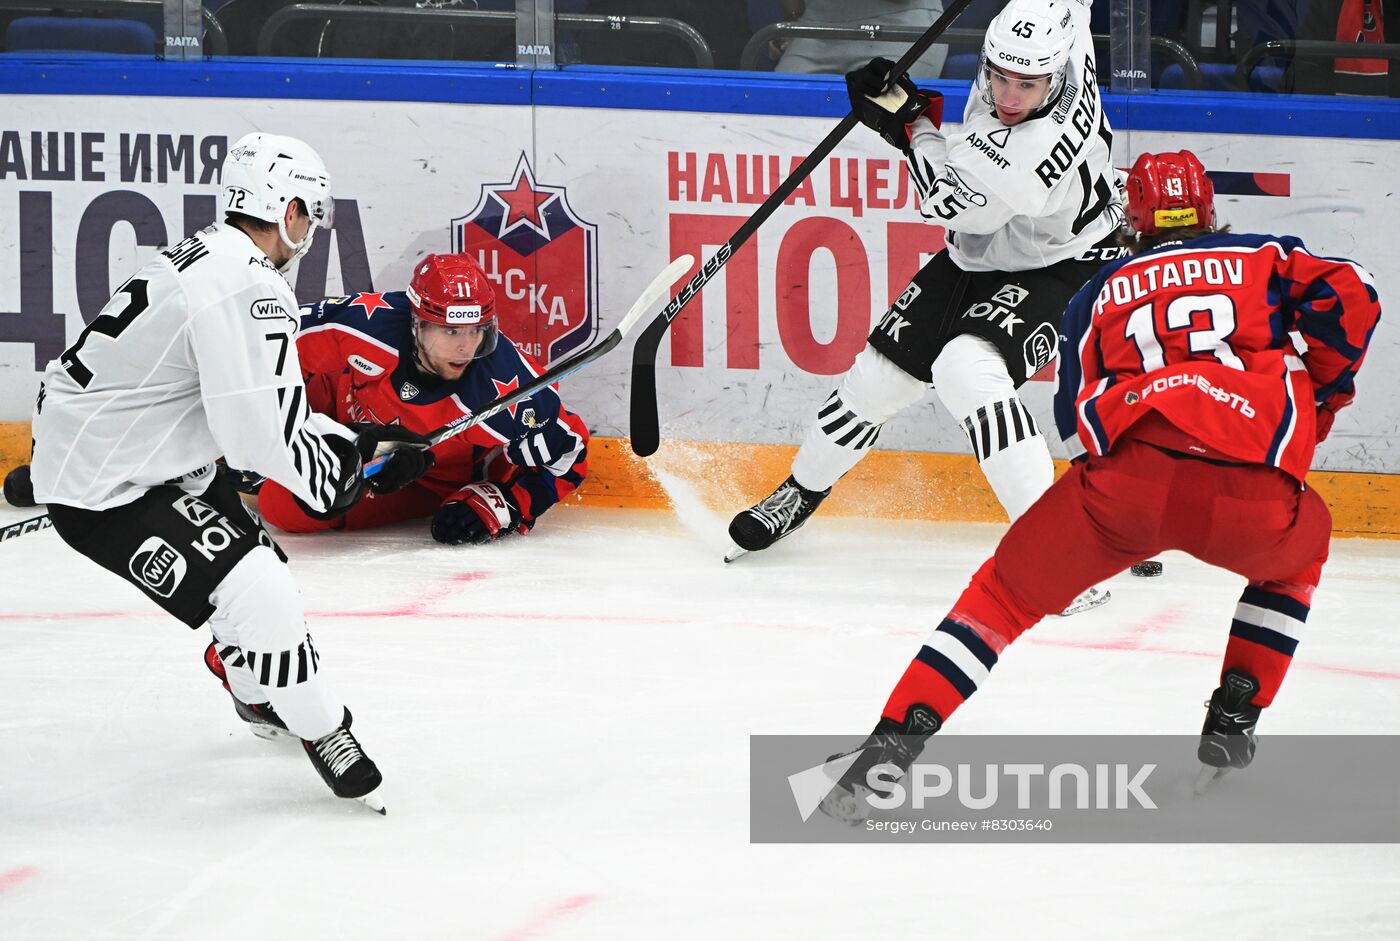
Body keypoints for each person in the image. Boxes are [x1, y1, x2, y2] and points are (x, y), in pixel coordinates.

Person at [817, 150, 1381, 824]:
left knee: (1000, 597)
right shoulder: (1263, 257)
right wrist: (1323, 387)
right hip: (1250, 492)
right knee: (1297, 561)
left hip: (1129, 487)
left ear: (1133, 218)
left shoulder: (1099, 291)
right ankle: (1235, 713)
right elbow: (1356, 293)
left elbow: (1076, 420)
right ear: (1206, 209)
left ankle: (886, 753)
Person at [27, 132, 420, 812]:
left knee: (252, 560)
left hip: (126, 453)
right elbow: (256, 440)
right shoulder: (248, 284)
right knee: (260, 588)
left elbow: (247, 410)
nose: (310, 234)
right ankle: (325, 728)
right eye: (310, 216)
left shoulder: (206, 255)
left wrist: (350, 443)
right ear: (288, 209)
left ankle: (249, 684)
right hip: (109, 490)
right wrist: (339, 478)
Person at [729, 0, 1126, 612]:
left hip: (1061, 261)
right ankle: (798, 494)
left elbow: (944, 198)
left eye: (1029, 84)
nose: (1011, 95)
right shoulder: (1063, 35)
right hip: (979, 254)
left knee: (968, 372)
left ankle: (1060, 546)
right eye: (1001, 76)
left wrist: (908, 122)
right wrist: (911, 116)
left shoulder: (1024, 161)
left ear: (1058, 79)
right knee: (875, 382)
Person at [246, 252, 589, 545]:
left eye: (475, 331)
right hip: (336, 407)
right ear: (417, 325)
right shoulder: (368, 323)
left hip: (419, 478)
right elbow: (269, 345)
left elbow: (572, 453)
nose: (465, 347)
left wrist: (507, 503)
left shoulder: (510, 392)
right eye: (451, 331)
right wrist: (266, 428)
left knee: (284, 505)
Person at [773, 0, 948, 79]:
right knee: (774, 105)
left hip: (898, 24)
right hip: (818, 28)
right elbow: (793, 9)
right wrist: (793, 22)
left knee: (882, 115)